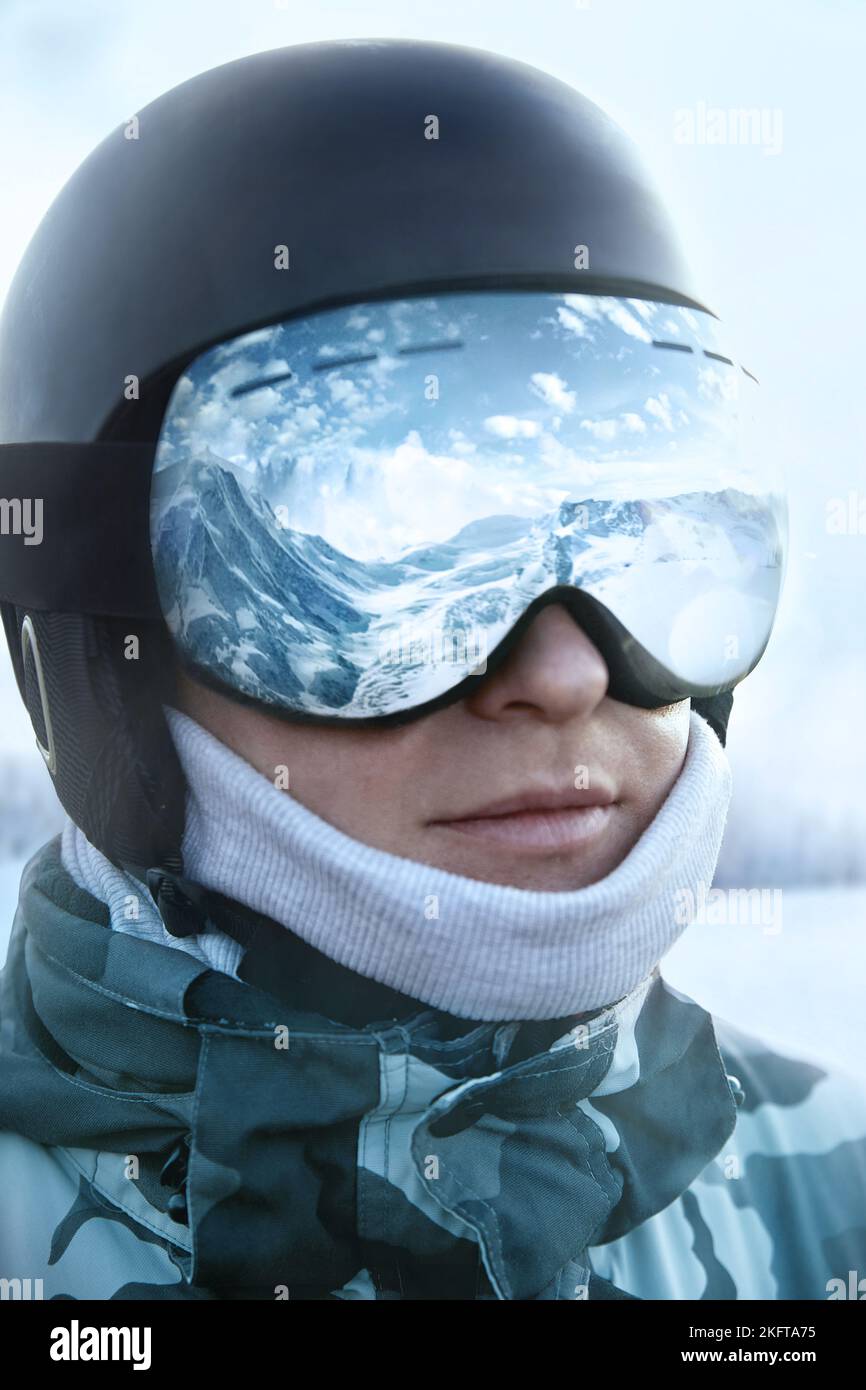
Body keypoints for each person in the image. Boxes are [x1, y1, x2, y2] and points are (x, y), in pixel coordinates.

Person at [0, 38, 863, 1303]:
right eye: (360, 556)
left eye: (650, 538)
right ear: (101, 649)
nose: (564, 676)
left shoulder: (828, 1201)